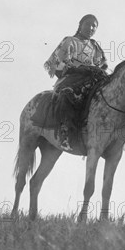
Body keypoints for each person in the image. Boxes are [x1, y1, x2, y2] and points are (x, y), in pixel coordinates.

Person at [44, 14, 108, 149]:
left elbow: (102, 65)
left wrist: (99, 70)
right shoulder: (70, 41)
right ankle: (65, 133)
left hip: (91, 80)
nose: (91, 28)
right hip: (71, 78)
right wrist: (79, 68)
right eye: (88, 24)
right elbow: (59, 63)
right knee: (67, 94)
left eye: (94, 26)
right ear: (80, 25)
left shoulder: (94, 46)